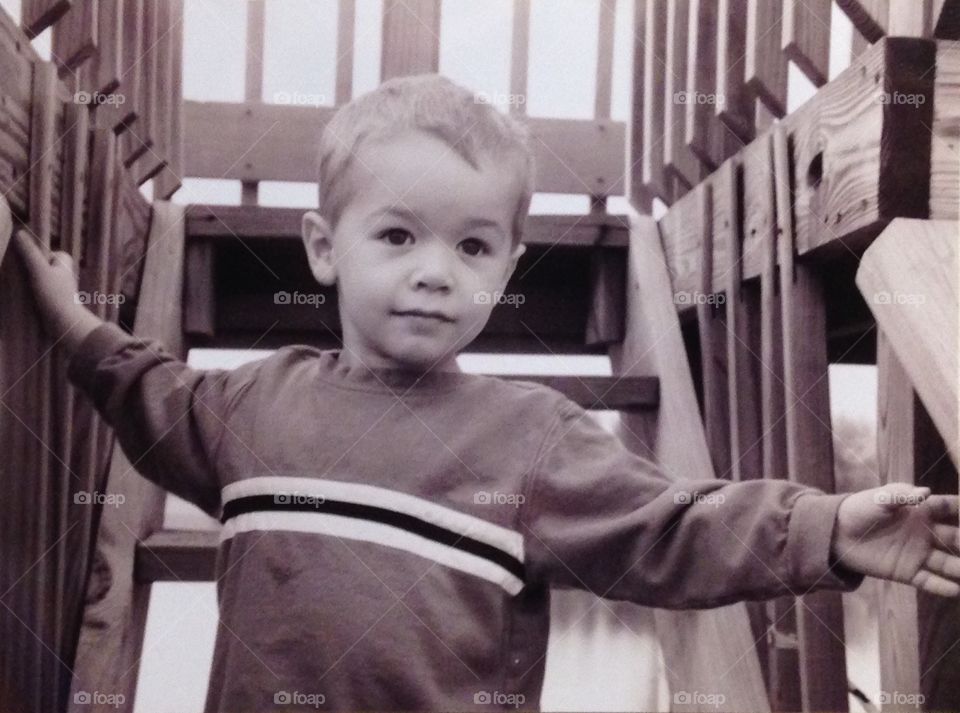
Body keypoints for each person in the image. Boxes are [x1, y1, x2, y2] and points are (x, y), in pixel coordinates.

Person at [8, 74, 960, 712]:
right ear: (323, 248)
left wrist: (829, 526)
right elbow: (146, 393)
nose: (435, 273)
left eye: (471, 247)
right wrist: (67, 320)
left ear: (505, 269)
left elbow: (674, 527)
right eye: (398, 236)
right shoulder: (255, 405)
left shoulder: (529, 441)